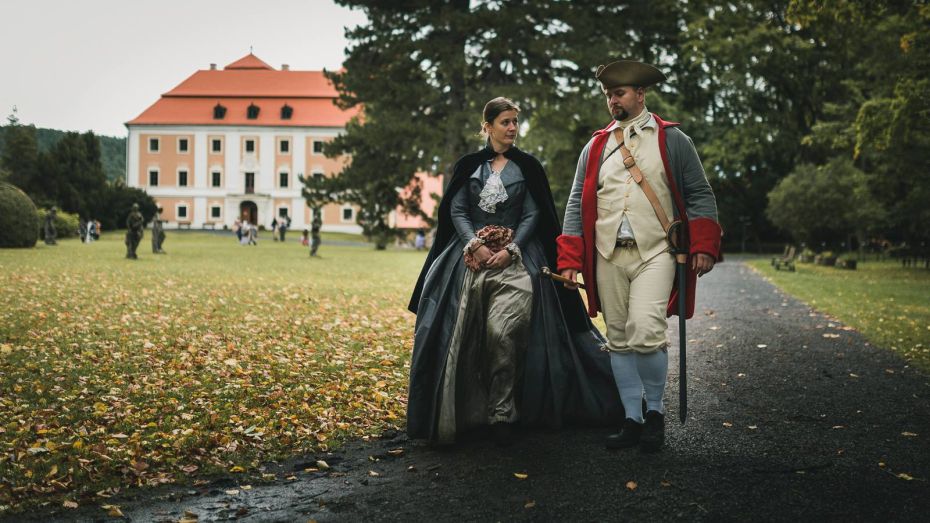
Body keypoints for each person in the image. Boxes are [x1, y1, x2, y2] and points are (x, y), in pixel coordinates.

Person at [408, 97, 622, 446]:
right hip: (467, 261)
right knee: (465, 335)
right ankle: (466, 414)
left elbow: (534, 214)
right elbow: (457, 210)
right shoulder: (469, 166)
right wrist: (472, 244)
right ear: (487, 126)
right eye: (505, 122)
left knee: (504, 332)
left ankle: (503, 412)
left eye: (515, 122)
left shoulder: (528, 167)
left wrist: (512, 249)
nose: (512, 128)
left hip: (517, 260)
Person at [557, 60, 722, 453]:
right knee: (618, 338)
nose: (612, 100)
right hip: (606, 254)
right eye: (608, 95)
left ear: (640, 94)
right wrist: (570, 256)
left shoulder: (672, 140)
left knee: (646, 332)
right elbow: (577, 201)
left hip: (657, 251)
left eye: (620, 93)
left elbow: (700, 193)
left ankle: (655, 415)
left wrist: (702, 245)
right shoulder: (595, 145)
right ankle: (631, 418)